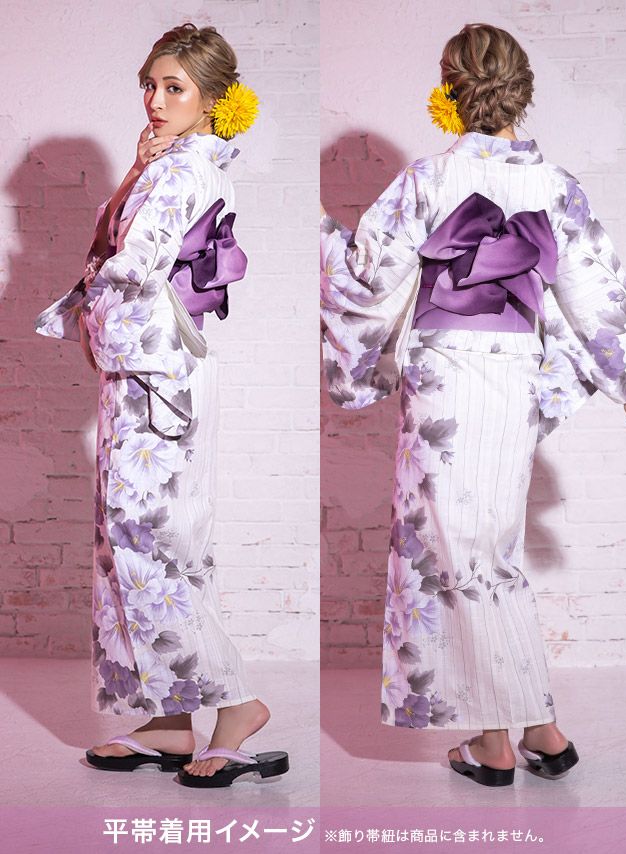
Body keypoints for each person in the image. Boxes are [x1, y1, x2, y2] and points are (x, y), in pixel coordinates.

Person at [320, 22, 626, 787]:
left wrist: (318, 233)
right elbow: (599, 295)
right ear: (520, 88)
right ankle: (541, 731)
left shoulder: (428, 180)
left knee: (457, 553)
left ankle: (497, 743)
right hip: (513, 375)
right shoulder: (555, 186)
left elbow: (367, 277)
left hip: (446, 377)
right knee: (489, 551)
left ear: (451, 89)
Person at [34, 22, 288, 788]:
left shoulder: (189, 169)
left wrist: (91, 302)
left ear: (212, 100)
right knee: (136, 539)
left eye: (174, 87)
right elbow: (114, 235)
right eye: (150, 84)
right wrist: (134, 171)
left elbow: (132, 258)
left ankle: (236, 707)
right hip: (145, 367)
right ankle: (171, 720)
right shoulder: (170, 164)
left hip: (157, 373)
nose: (155, 99)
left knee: (149, 541)